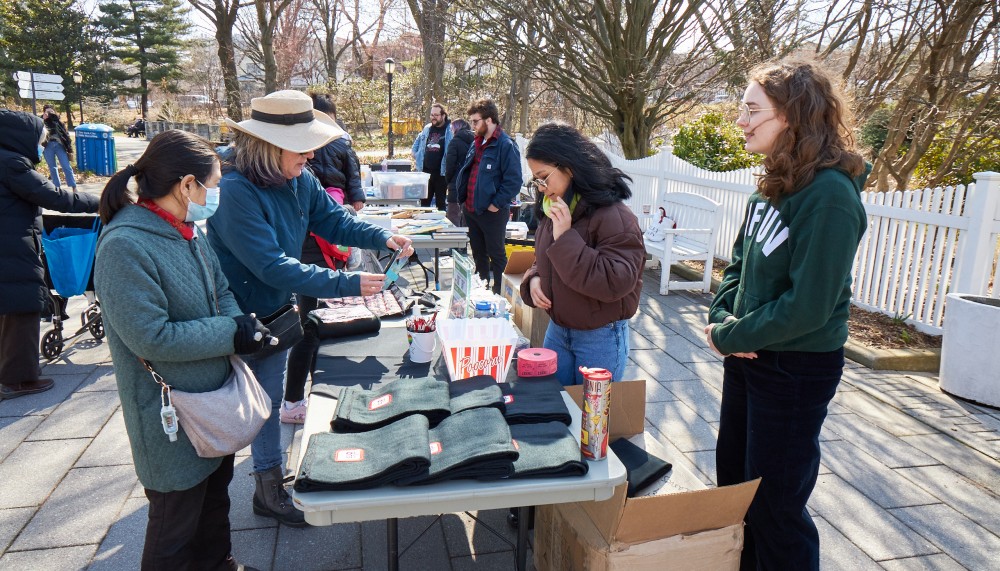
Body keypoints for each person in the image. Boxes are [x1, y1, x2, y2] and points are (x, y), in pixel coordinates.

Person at [207, 90, 413, 527]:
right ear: (268, 147)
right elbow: (271, 265)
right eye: (302, 149)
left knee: (267, 396)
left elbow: (334, 219)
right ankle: (258, 484)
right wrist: (351, 283)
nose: (313, 155)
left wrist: (382, 237)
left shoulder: (298, 176)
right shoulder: (235, 189)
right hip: (239, 313)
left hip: (274, 310)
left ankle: (266, 476)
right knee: (251, 401)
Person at [705, 58, 868, 571]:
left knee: (775, 509)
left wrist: (733, 336)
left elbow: (810, 306)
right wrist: (721, 320)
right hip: (749, 356)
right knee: (735, 487)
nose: (740, 121)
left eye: (752, 110)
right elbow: (739, 266)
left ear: (792, 116)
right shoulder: (772, 181)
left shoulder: (830, 196)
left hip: (795, 369)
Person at [93, 129, 267, 571]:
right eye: (214, 184)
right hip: (168, 413)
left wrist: (237, 321)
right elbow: (152, 336)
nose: (217, 193)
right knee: (174, 526)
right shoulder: (125, 244)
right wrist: (230, 333)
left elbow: (221, 290)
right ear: (187, 185)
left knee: (214, 505)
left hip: (212, 403)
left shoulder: (187, 228)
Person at [519, 123, 645, 386]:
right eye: (536, 180)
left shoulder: (615, 216)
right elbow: (544, 258)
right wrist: (533, 278)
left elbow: (615, 282)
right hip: (558, 329)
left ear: (569, 168)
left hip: (599, 336)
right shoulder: (556, 206)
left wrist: (565, 237)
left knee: (591, 421)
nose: (541, 187)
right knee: (558, 409)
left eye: (544, 177)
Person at [0, 109, 98, 400]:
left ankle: (9, 372)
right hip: (11, 246)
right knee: (22, 306)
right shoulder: (11, 164)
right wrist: (103, 201)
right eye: (40, 141)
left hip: (9, 243)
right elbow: (55, 196)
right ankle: (18, 380)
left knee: (8, 309)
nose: (42, 147)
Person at [453, 98, 523, 293]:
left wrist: (496, 204)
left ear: (489, 120)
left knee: (497, 255)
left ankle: (500, 296)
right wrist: (463, 202)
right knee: (478, 255)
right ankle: (480, 292)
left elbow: (514, 181)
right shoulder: (476, 142)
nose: (472, 125)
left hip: (492, 212)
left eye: (476, 121)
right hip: (472, 209)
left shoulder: (506, 145)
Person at [307, 94, 365, 211]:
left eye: (330, 120)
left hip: (335, 188)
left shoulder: (341, 142)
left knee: (334, 210)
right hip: (312, 189)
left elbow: (352, 172)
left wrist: (357, 197)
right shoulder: (307, 142)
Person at [411, 103, 451, 210]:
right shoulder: (427, 128)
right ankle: (425, 226)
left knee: (440, 204)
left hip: (441, 173)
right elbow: (416, 144)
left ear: (443, 116)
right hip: (425, 173)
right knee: (424, 204)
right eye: (432, 115)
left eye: (436, 115)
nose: (433, 117)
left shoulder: (449, 130)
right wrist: (416, 155)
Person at [444, 118, 473, 227]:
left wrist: (448, 180)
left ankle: (454, 242)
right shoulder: (475, 140)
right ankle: (467, 241)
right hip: (471, 183)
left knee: (453, 216)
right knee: (467, 216)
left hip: (456, 183)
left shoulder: (454, 142)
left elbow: (450, 165)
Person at [41, 105, 78, 191]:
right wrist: (43, 119)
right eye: (47, 111)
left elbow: (66, 135)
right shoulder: (42, 121)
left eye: (51, 111)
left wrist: (70, 149)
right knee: (52, 167)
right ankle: (57, 187)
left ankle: (73, 186)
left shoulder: (58, 122)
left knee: (66, 166)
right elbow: (39, 131)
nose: (49, 113)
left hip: (59, 145)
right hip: (48, 146)